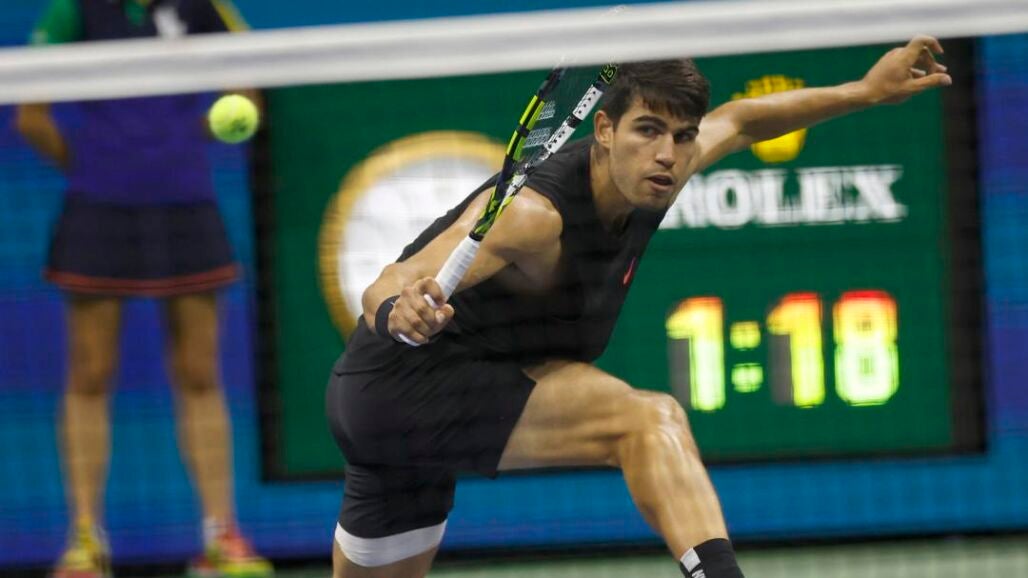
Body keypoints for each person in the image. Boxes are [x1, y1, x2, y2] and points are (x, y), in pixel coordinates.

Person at [324, 36, 952, 578]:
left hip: (439, 397)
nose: (668, 154)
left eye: (682, 136)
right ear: (603, 130)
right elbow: (391, 280)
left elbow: (741, 121)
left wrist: (867, 91)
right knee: (648, 420)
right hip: (401, 390)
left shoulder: (661, 172)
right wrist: (398, 309)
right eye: (647, 130)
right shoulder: (533, 218)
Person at [14, 1, 272, 577]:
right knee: (89, 374)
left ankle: (221, 537)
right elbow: (31, 116)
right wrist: (94, 169)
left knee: (200, 373)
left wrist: (183, 142)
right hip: (98, 211)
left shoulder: (202, 6)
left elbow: (249, 91)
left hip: (185, 206)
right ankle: (84, 541)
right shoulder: (75, 9)